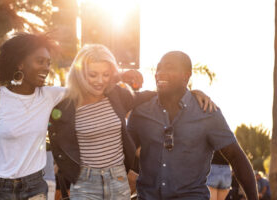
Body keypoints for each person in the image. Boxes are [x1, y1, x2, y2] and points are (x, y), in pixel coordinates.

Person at [48, 45, 215, 200]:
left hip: (117, 178)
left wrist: (190, 93)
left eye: (106, 74)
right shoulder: (64, 104)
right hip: (85, 181)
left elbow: (154, 95)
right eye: (93, 74)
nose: (100, 80)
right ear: (80, 74)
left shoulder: (117, 96)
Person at [127, 51, 258, 199]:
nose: (160, 73)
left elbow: (236, 156)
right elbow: (122, 153)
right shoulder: (141, 112)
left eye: (169, 68)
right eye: (159, 68)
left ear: (186, 76)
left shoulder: (207, 113)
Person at [0, 33, 64, 200]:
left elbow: (84, 87)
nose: (46, 67)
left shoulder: (50, 95)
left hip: (35, 188)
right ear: (20, 64)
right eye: (40, 61)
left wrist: (119, 77)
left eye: (48, 63)